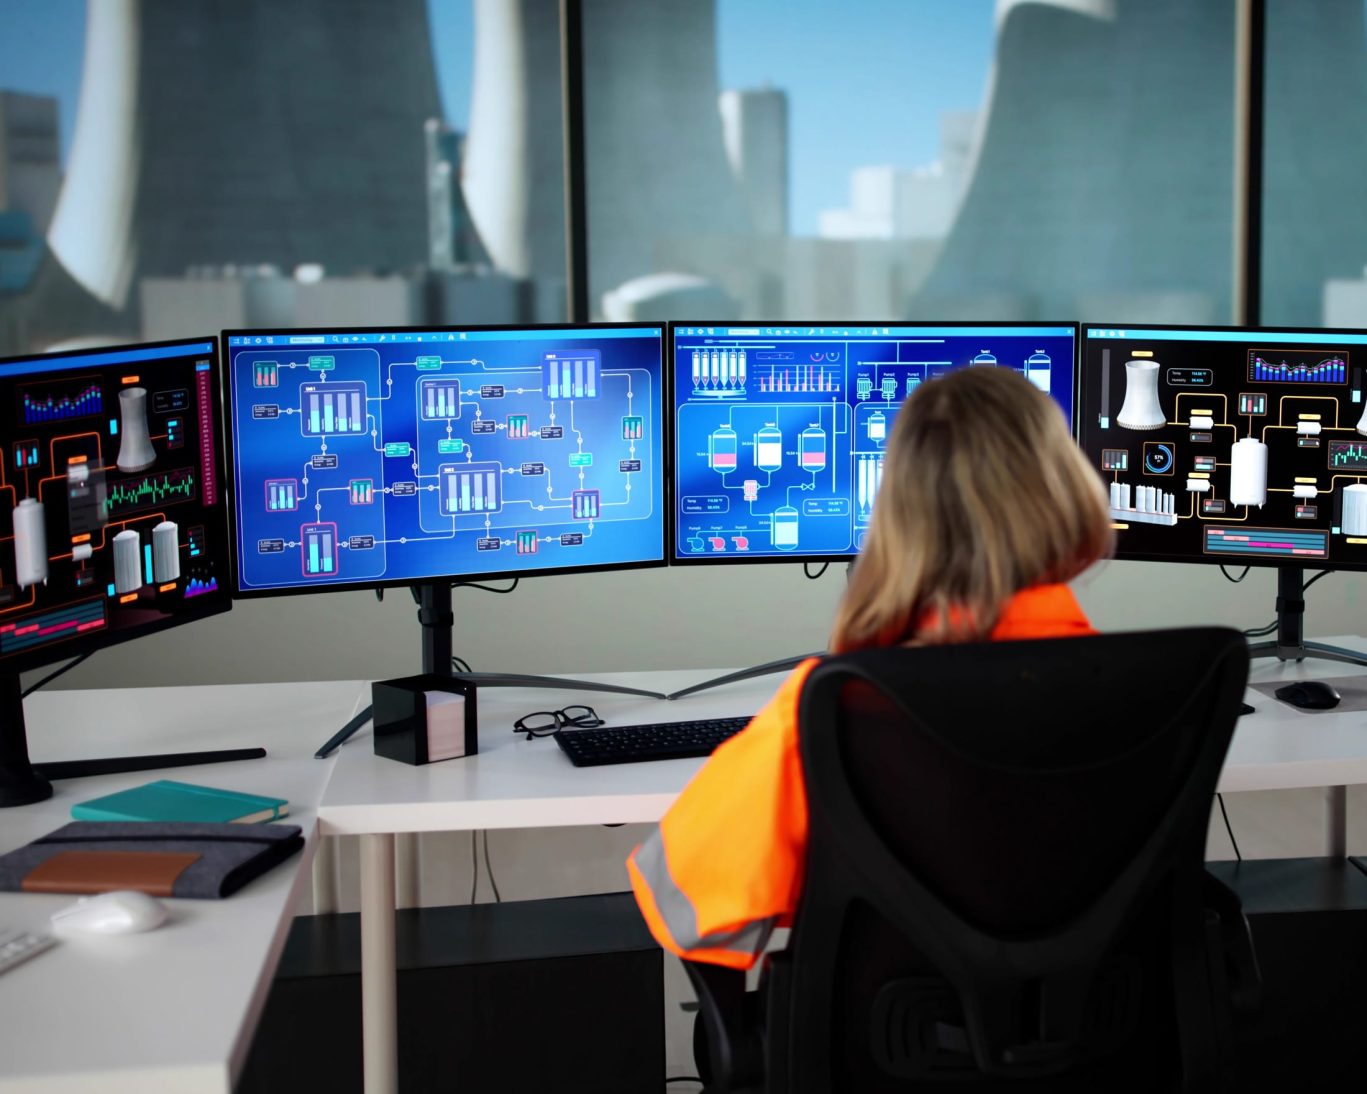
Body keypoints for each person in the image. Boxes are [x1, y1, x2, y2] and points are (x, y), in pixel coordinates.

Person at [627, 365, 1114, 969]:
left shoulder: (838, 699)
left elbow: (686, 910)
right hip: (1108, 1038)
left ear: (896, 518)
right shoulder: (1143, 687)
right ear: (1067, 492)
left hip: (887, 1046)